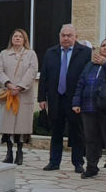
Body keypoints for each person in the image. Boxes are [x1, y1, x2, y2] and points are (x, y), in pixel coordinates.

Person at [71, 38, 106, 181]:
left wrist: (105, 64)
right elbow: (81, 83)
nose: (105, 48)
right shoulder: (90, 64)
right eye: (103, 45)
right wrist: (76, 102)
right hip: (88, 107)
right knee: (90, 139)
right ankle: (91, 167)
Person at [38, 24, 89, 173]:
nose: (66, 38)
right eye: (63, 35)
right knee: (56, 131)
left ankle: (78, 162)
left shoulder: (85, 52)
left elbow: (86, 77)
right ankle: (54, 162)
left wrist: (81, 99)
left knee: (77, 131)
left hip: (75, 100)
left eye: (69, 35)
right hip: (56, 98)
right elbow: (44, 77)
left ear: (75, 37)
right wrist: (42, 98)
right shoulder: (50, 52)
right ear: (59, 36)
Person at [0, 28, 38, 165]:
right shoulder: (4, 54)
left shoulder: (31, 54)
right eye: (15, 36)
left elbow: (32, 71)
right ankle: (9, 152)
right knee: (7, 125)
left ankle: (19, 152)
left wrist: (20, 87)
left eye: (20, 36)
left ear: (25, 39)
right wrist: (8, 84)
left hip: (23, 95)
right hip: (8, 94)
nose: (17, 38)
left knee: (21, 126)